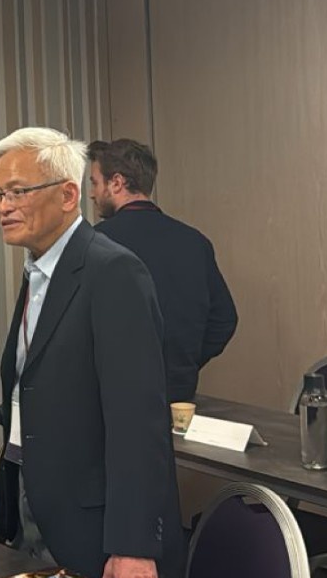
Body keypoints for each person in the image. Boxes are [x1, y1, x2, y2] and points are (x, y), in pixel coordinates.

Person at [0, 128, 184, 578]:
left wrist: (133, 544)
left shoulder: (111, 271)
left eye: (18, 192)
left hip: (95, 522)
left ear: (68, 195)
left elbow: (138, 421)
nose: (3, 207)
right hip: (35, 500)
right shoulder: (40, 269)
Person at [87, 139, 238, 403]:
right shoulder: (195, 242)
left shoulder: (93, 244)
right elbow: (224, 320)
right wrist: (183, 363)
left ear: (117, 183)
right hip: (178, 396)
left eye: (95, 183)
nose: (92, 194)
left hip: (112, 399)